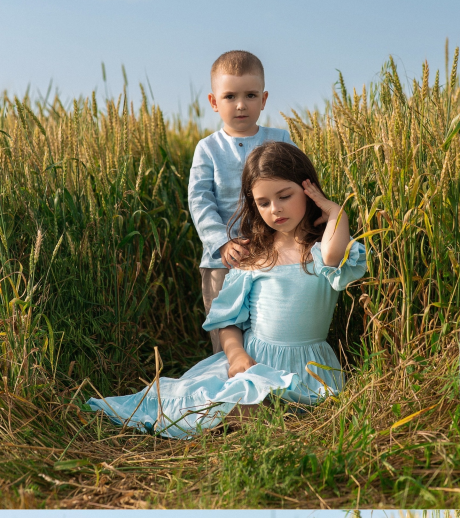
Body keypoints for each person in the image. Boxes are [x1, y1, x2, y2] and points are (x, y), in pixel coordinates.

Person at [88, 142, 366, 439]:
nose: (276, 209)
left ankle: (265, 418)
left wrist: (335, 211)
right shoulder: (255, 260)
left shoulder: (320, 253)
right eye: (263, 203)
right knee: (219, 402)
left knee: (290, 413)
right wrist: (236, 357)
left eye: (285, 196)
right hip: (255, 361)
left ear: (308, 191)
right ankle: (248, 416)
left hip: (309, 367)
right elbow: (228, 320)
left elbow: (337, 255)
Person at [188, 48, 291, 352]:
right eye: (230, 96)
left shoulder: (280, 140)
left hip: (273, 255)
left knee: (268, 327)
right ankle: (229, 392)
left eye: (250, 95)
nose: (241, 104)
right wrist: (221, 242)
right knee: (226, 331)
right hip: (222, 259)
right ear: (213, 102)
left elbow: (296, 187)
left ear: (264, 99)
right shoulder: (208, 148)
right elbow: (200, 199)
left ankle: (266, 390)